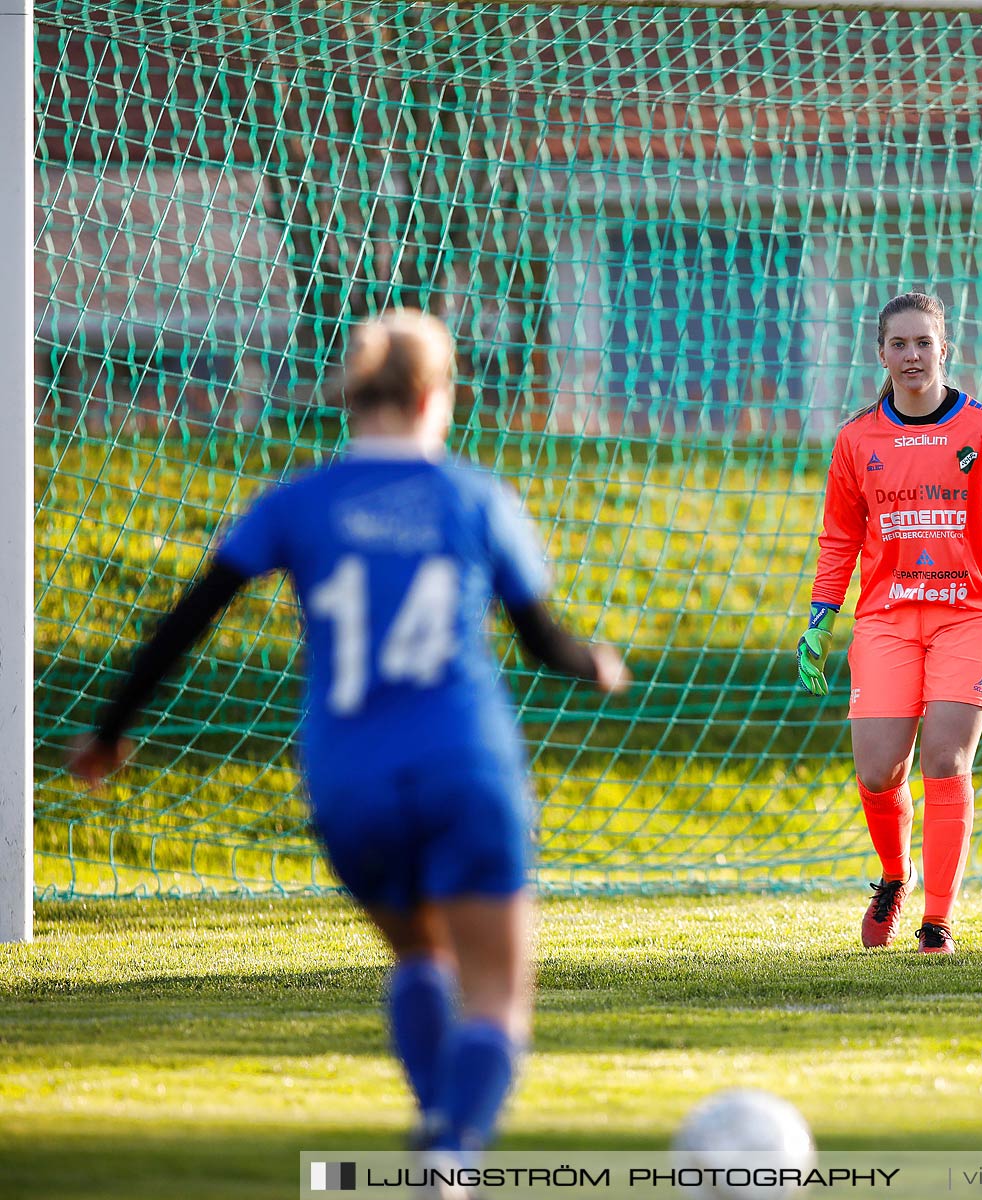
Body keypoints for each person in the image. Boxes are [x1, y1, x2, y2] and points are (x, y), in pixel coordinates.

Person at [69, 310, 628, 1191]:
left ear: (352, 397)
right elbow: (540, 639)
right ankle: (452, 1150)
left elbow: (187, 619)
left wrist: (110, 731)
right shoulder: (475, 497)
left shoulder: (297, 501)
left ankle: (434, 1121)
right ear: (430, 394)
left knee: (419, 958)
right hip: (463, 764)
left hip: (349, 777)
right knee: (495, 994)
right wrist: (594, 664)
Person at [796, 292, 982, 955]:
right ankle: (895, 875)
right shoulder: (858, 439)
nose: (912, 356)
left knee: (947, 759)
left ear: (945, 348)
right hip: (887, 618)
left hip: (969, 615)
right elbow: (839, 538)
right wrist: (820, 619)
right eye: (899, 344)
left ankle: (936, 921)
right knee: (880, 769)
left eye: (924, 343)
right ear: (881, 353)